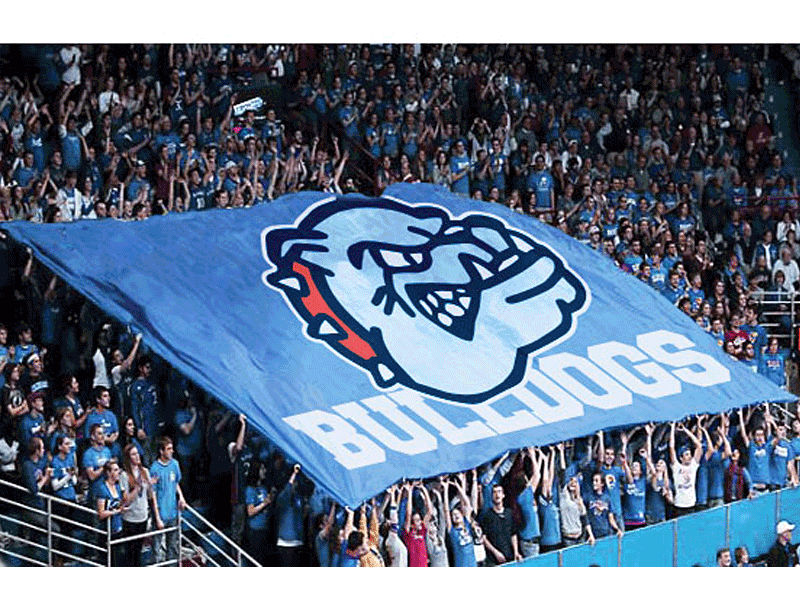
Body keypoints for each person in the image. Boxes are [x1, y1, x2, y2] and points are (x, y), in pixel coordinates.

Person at [150, 436, 186, 566]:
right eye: (169, 449)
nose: (172, 451)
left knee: (173, 546)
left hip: (173, 512)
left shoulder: (175, 464)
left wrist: (181, 497)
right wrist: (157, 517)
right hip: (161, 513)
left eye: (172, 448)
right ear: (161, 451)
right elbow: (153, 494)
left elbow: (175, 483)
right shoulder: (154, 468)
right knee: (157, 547)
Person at [119, 443, 155, 567]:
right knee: (130, 552)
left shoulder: (145, 471)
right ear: (128, 457)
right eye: (133, 454)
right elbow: (126, 500)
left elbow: (149, 495)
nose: (137, 456)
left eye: (137, 453)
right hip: (130, 518)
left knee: (139, 551)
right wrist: (137, 487)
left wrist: (150, 485)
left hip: (142, 516)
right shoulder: (124, 475)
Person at [479, 481, 521, 566]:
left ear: (503, 495)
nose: (497, 494)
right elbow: (483, 538)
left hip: (509, 556)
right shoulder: (487, 515)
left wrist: (516, 552)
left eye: (499, 492)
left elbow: (513, 534)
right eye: (494, 492)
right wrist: (495, 552)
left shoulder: (509, 513)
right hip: (493, 560)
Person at [96, 459, 128, 566]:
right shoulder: (102, 488)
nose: (118, 472)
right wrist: (116, 511)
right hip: (106, 530)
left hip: (118, 528)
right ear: (109, 473)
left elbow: (121, 503)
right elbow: (101, 513)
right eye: (115, 470)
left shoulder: (118, 487)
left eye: (118, 470)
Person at [669, 420, 703, 517]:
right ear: (681, 458)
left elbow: (699, 446)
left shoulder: (693, 465)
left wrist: (685, 430)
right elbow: (671, 447)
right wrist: (672, 428)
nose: (690, 457)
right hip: (679, 505)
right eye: (686, 455)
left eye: (690, 454)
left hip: (691, 504)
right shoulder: (676, 467)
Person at [244, 459, 273, 566]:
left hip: (265, 527)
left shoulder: (263, 488)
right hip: (255, 530)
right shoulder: (250, 490)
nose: (264, 471)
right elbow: (250, 511)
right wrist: (264, 504)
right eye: (262, 469)